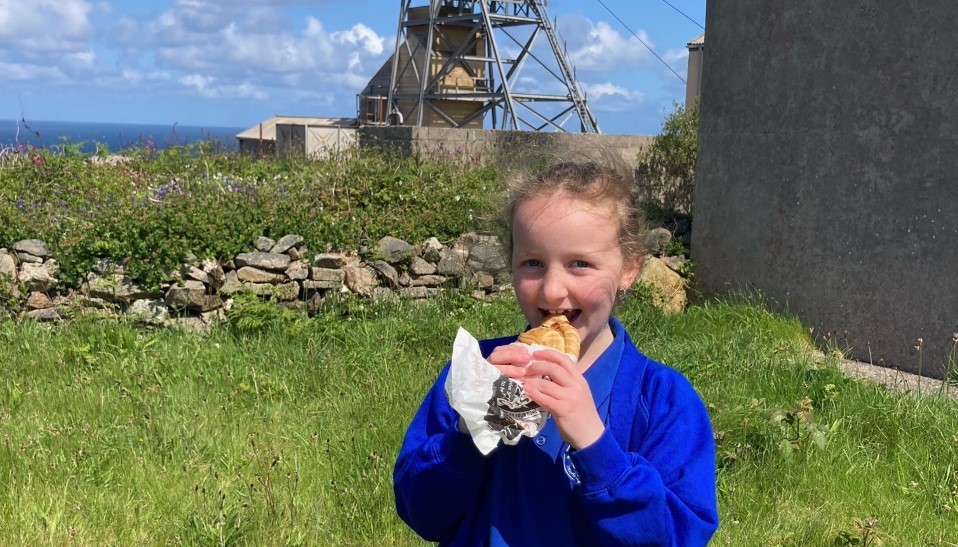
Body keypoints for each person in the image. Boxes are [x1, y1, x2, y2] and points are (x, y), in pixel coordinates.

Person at [394, 162, 718, 546]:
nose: (550, 291)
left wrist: (597, 447)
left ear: (629, 268)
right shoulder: (475, 372)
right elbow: (422, 514)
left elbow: (677, 537)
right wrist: (467, 433)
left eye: (580, 264)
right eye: (532, 263)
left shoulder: (664, 399)